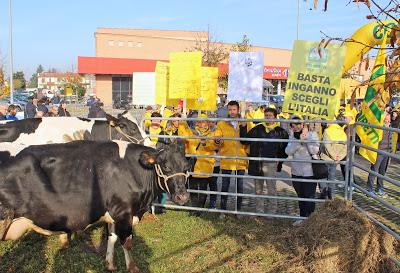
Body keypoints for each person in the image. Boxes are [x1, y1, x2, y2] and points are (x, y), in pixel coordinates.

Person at [240, 107, 289, 214]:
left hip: (271, 163)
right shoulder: (258, 128)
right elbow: (244, 140)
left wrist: (279, 160)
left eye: (270, 116)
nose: (267, 118)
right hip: (257, 162)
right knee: (258, 189)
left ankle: (272, 211)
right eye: (266, 115)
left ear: (275, 117)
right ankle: (259, 211)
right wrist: (243, 127)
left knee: (271, 188)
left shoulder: (281, 132)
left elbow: (285, 149)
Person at [179, 113, 218, 216]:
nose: (201, 123)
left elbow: (214, 147)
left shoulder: (211, 133)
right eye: (199, 121)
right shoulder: (192, 132)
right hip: (193, 165)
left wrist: (204, 142)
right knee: (192, 188)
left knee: (203, 189)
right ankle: (194, 209)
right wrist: (182, 121)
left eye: (203, 121)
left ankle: (200, 209)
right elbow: (183, 136)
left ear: (207, 122)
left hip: (205, 165)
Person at [214, 101, 248, 218]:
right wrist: (218, 140)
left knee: (240, 186)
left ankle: (238, 210)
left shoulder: (245, 122)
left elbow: (249, 140)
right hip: (227, 159)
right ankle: (222, 210)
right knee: (225, 186)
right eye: (230, 110)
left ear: (238, 110)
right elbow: (218, 139)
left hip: (240, 160)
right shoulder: (221, 124)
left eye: (234, 109)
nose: (232, 112)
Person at [285, 116, 319, 225]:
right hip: (296, 172)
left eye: (298, 124)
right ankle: (302, 217)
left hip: (310, 172)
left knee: (309, 196)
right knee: (300, 195)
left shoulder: (312, 134)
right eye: (293, 125)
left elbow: (315, 150)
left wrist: (306, 140)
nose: (296, 127)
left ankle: (311, 219)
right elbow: (288, 151)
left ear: (303, 124)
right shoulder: (292, 136)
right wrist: (299, 141)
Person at [319, 115, 347, 199]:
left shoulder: (328, 131)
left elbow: (326, 145)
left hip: (326, 157)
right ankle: (331, 195)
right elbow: (345, 147)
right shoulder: (343, 133)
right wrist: (338, 157)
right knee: (332, 176)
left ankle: (324, 194)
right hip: (336, 159)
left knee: (323, 176)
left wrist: (333, 155)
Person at [367, 111, 393, 198]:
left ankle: (380, 188)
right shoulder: (379, 126)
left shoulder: (391, 126)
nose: (389, 118)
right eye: (387, 117)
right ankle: (369, 189)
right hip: (379, 151)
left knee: (382, 171)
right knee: (374, 170)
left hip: (387, 151)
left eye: (389, 117)